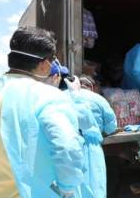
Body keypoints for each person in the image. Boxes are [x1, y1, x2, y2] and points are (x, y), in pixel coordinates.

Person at [0, 27, 85, 198]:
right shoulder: (47, 96)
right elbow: (67, 148)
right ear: (44, 65)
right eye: (53, 60)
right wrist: (66, 189)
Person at [48, 66, 117, 198]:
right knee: (95, 187)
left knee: (71, 189)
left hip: (66, 144)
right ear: (92, 87)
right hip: (91, 148)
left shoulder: (58, 97)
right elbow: (111, 127)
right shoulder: (98, 99)